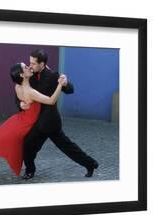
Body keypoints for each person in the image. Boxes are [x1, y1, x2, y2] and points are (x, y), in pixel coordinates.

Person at [17, 49, 99, 180]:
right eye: (29, 62)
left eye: (33, 63)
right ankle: (91, 163)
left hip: (49, 121)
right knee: (34, 145)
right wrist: (20, 104)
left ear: (42, 64)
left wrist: (65, 82)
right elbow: (22, 92)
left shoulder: (52, 75)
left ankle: (30, 171)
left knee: (31, 144)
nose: (30, 65)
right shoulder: (29, 75)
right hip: (38, 120)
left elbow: (70, 90)